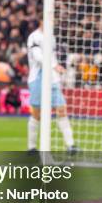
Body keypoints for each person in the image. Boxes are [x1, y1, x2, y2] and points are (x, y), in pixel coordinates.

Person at [26, 19, 77, 153]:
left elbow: (52, 57)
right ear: (41, 21)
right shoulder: (34, 37)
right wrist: (54, 66)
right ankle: (31, 147)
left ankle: (70, 145)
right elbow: (38, 57)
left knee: (62, 109)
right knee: (36, 114)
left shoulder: (52, 37)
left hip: (52, 79)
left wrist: (56, 71)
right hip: (37, 78)